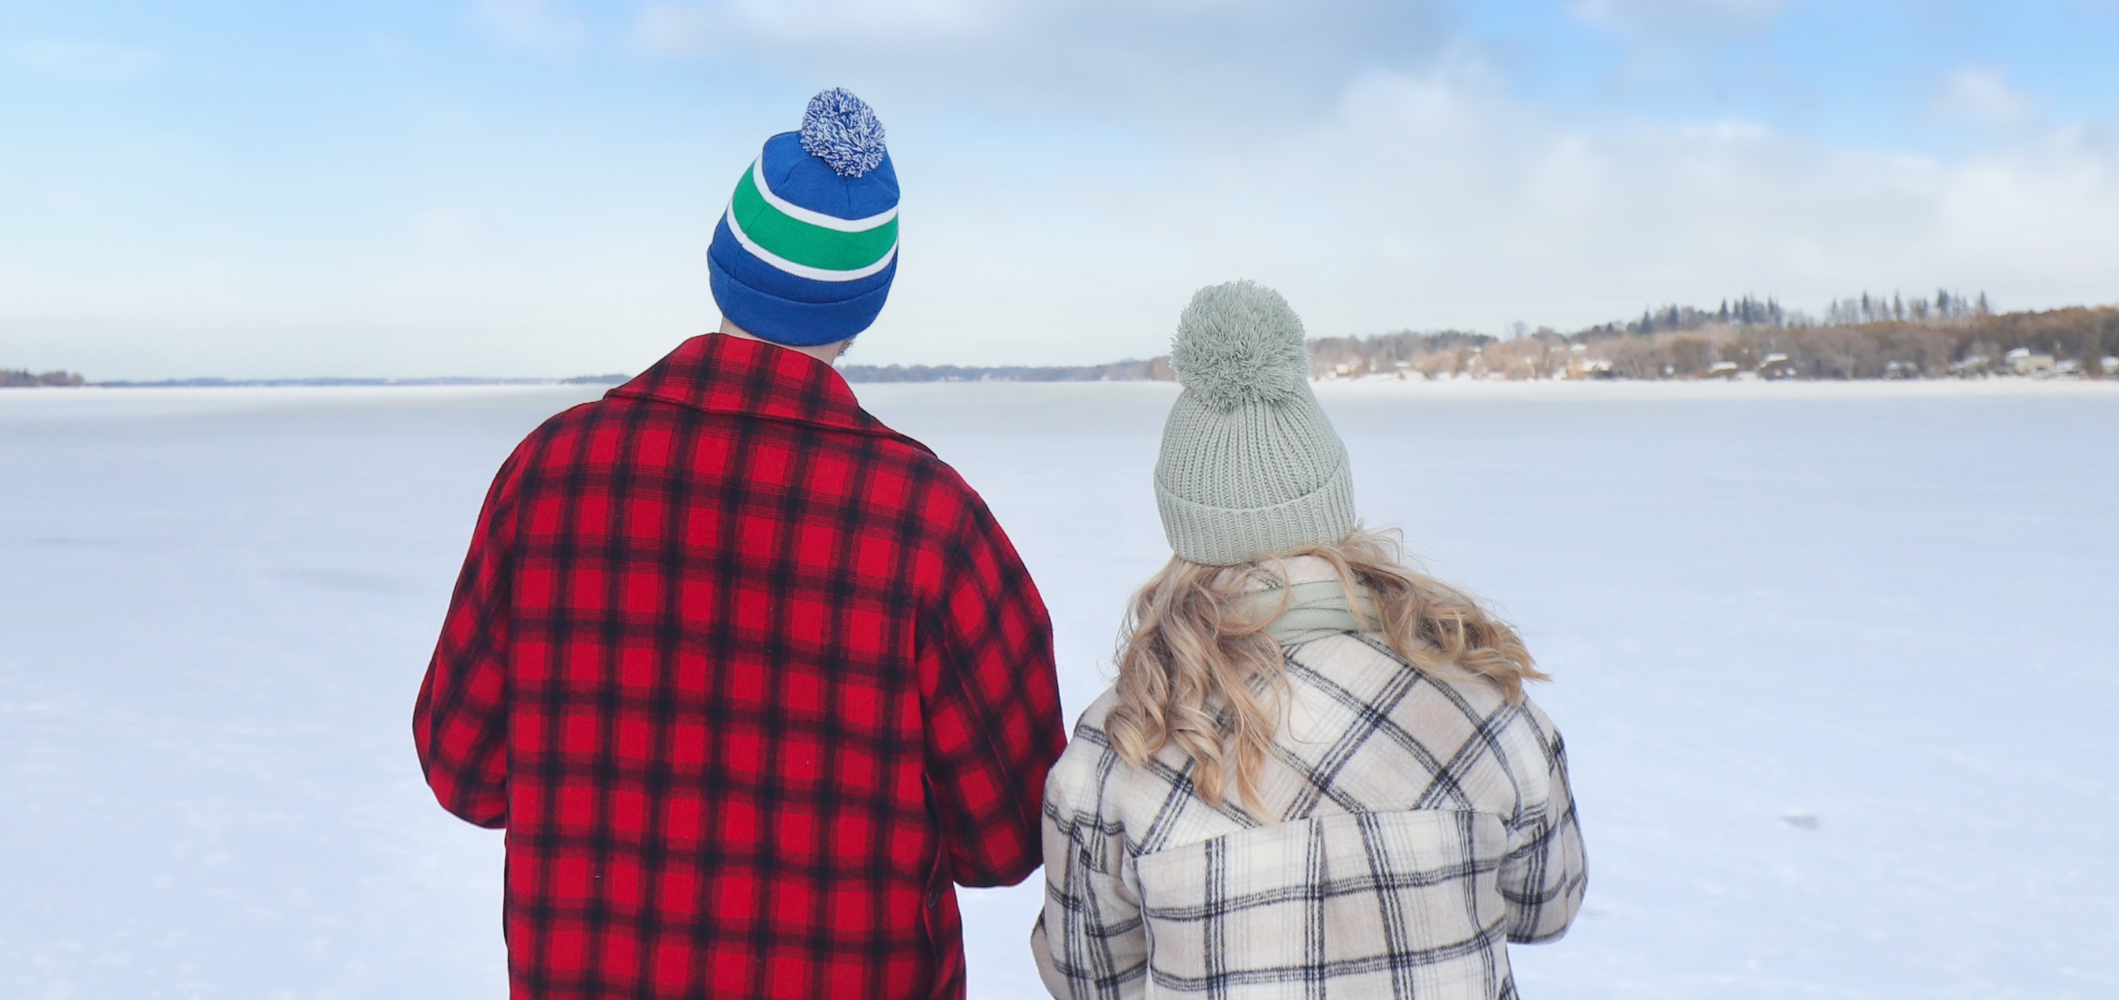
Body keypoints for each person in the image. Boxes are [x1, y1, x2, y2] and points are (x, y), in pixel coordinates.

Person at [412, 88, 1067, 1000]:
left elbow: (463, 769)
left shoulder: (548, 474)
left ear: (723, 263)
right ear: (865, 301)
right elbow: (1006, 837)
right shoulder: (930, 527)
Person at [1033, 281, 1586, 1000]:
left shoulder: (1123, 744)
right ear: (1334, 502)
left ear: (1184, 528)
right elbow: (1549, 907)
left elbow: (1088, 978)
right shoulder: (1484, 704)